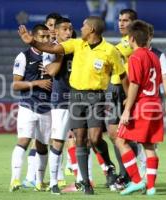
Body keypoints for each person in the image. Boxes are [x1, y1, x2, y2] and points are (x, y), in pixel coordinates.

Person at [18, 16, 127, 195]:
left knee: (95, 137)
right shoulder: (77, 44)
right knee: (80, 138)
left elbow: (122, 75)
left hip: (96, 96)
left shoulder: (109, 50)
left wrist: (127, 98)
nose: (79, 28)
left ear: (91, 29)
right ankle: (86, 183)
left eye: (83, 25)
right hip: (76, 97)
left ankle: (108, 165)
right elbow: (52, 47)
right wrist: (33, 42)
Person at [116, 20, 164, 196]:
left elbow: (135, 84)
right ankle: (151, 187)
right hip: (155, 104)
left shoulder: (136, 56)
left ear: (132, 38)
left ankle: (136, 181)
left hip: (143, 105)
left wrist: (127, 109)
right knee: (149, 146)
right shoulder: (154, 57)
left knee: (120, 140)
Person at [9, 24, 51, 192]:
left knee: (42, 145)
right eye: (42, 37)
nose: (46, 40)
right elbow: (16, 84)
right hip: (28, 105)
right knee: (24, 141)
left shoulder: (53, 56)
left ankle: (39, 182)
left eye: (47, 36)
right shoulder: (23, 56)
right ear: (34, 37)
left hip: (47, 107)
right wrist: (36, 83)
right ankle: (15, 180)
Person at [106, 8, 140, 189]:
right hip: (114, 89)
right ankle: (124, 173)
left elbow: (113, 54)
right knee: (113, 134)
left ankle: (130, 175)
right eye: (119, 20)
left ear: (133, 23)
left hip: (127, 89)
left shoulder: (132, 43)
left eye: (125, 20)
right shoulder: (121, 43)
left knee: (126, 136)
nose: (121, 23)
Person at [42, 17, 73, 194]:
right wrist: (61, 52)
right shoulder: (50, 49)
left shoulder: (77, 45)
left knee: (85, 139)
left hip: (80, 98)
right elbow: (52, 71)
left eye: (70, 29)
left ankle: (85, 180)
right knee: (59, 141)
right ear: (57, 32)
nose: (68, 33)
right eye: (65, 29)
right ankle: (54, 182)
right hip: (60, 99)